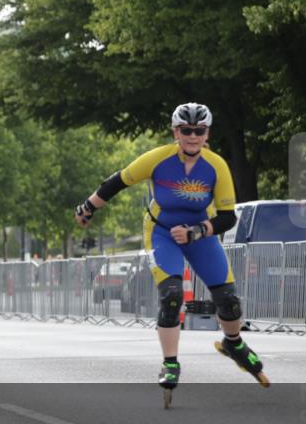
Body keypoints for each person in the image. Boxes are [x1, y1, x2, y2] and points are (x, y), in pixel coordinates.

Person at [75, 103, 268, 408]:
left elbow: (228, 218)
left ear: (208, 134)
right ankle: (170, 362)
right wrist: (88, 207)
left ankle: (233, 343)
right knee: (172, 295)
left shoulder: (216, 166)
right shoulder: (159, 159)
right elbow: (117, 182)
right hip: (162, 232)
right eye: (186, 131)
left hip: (198, 234)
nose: (193, 136)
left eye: (199, 131)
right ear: (175, 132)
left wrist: (197, 232)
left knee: (229, 301)